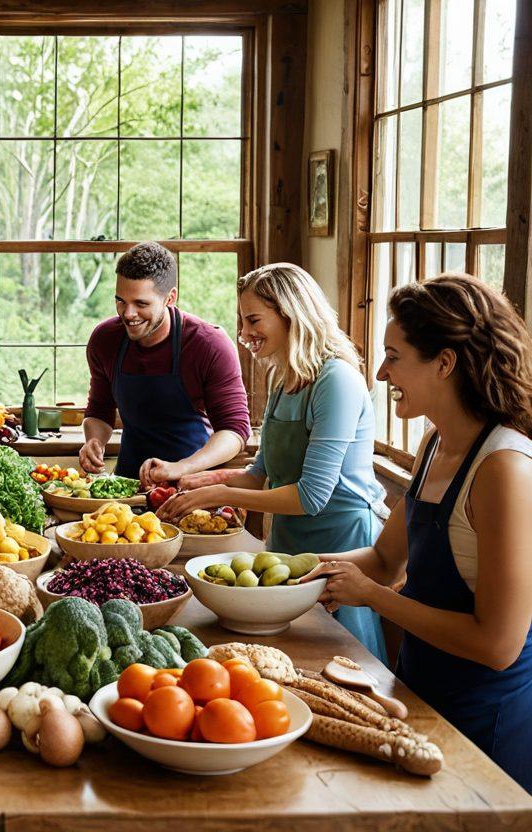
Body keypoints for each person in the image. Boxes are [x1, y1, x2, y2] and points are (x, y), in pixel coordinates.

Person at [304, 274, 532, 790]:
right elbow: (386, 561)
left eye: (393, 355)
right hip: (420, 695)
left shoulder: (504, 468)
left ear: (445, 363)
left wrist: (371, 598)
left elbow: (498, 643)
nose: (381, 372)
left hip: (487, 721)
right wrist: (297, 571)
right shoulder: (435, 443)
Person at [159, 264, 388, 660]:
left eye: (253, 320)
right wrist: (199, 483)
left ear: (291, 313)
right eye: (242, 321)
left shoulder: (336, 381)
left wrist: (219, 491)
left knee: (339, 665)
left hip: (342, 544)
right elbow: (260, 475)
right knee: (285, 661)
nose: (243, 334)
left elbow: (312, 496)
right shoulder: (283, 379)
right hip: (286, 545)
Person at [79, 242, 251, 483]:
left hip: (193, 486)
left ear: (170, 297)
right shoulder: (105, 339)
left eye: (141, 303)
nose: (128, 314)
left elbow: (235, 431)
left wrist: (182, 468)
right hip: (128, 485)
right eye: (120, 301)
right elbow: (99, 409)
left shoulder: (208, 345)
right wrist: (94, 441)